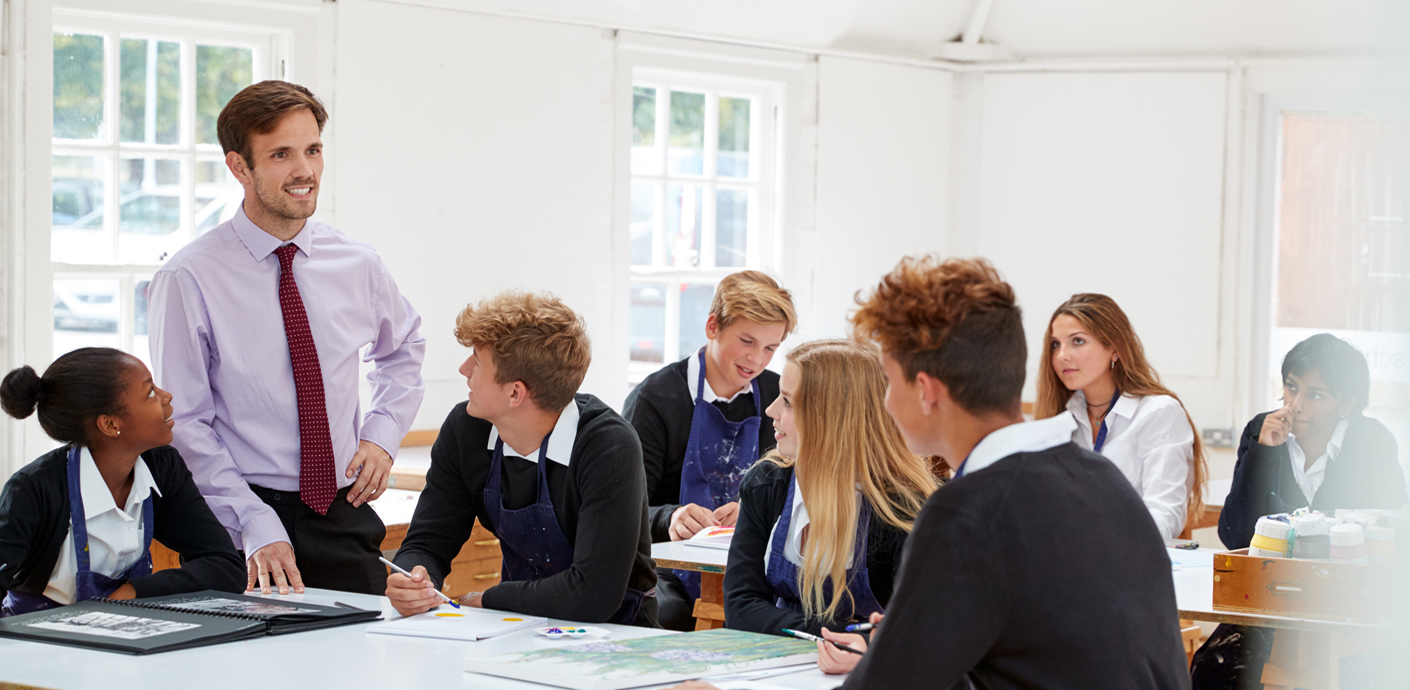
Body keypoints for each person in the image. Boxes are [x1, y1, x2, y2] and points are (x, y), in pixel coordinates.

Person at [708, 256, 1187, 690]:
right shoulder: (1100, 479)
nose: (883, 405)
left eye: (888, 383)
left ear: (926, 391)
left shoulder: (967, 513)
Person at [148, 80, 426, 596]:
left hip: (342, 508)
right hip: (238, 519)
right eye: (281, 154)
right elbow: (185, 420)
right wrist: (252, 521)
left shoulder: (357, 263)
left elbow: (403, 349)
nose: (305, 171)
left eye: (313, 150)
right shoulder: (189, 278)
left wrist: (382, 437)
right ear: (239, 167)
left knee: (355, 668)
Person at [387, 292, 658, 626]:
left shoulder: (608, 447)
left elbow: (593, 595)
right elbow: (429, 540)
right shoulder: (465, 431)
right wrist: (415, 576)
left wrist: (488, 599)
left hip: (618, 636)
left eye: (476, 360)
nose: (463, 369)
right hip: (518, 627)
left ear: (515, 393)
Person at [1191, 333, 1407, 689]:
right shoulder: (1261, 432)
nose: (1295, 405)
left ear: (1347, 403)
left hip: (1346, 601)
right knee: (1212, 667)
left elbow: (1385, 533)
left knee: (1360, 674)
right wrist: (1264, 453)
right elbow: (1235, 535)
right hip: (1269, 598)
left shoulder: (1370, 441)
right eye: (1291, 388)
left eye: (1315, 395)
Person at [724, 339, 935, 674]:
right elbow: (740, 606)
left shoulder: (905, 510)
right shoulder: (766, 484)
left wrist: (868, 649)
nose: (771, 411)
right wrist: (840, 636)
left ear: (833, 418)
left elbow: (924, 631)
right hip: (773, 669)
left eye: (789, 403)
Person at [0, 348, 244, 616]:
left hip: (124, 626)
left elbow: (225, 566)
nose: (166, 396)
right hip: (36, 637)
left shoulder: (162, 468)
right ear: (110, 424)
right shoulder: (31, 490)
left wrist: (133, 592)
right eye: (150, 392)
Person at [623, 271, 797, 630]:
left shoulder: (777, 398)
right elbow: (625, 507)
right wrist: (671, 517)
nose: (757, 359)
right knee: (662, 616)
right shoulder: (655, 400)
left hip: (750, 562)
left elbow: (795, 490)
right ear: (712, 326)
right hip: (668, 569)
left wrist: (755, 510)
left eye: (770, 347)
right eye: (746, 340)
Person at [1034, 293, 1208, 540]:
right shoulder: (1060, 417)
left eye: (1078, 341)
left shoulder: (1159, 413)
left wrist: (1094, 537)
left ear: (1115, 348)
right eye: (1055, 344)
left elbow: (1164, 517)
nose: (1062, 355)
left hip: (1130, 563)